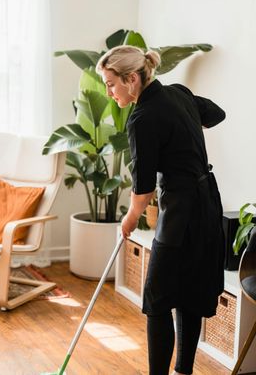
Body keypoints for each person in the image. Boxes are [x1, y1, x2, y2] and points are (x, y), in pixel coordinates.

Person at [96, 45, 226, 375]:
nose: (109, 92)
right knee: (189, 292)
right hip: (207, 203)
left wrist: (127, 220)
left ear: (132, 78)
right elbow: (216, 114)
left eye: (111, 84)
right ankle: (183, 371)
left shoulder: (142, 118)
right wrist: (184, 132)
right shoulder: (178, 94)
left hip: (182, 210)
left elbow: (143, 191)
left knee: (157, 300)